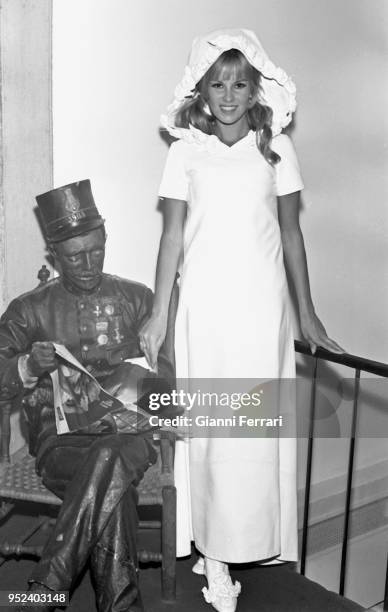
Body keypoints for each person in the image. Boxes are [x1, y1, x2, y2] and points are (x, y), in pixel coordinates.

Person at [139, 28, 343, 612]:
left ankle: (238, 540)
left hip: (261, 314)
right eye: (217, 83)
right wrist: (158, 314)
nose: (228, 94)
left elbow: (291, 234)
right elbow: (171, 237)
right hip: (205, 312)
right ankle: (215, 554)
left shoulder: (276, 149)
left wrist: (307, 314)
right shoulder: (185, 152)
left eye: (240, 83)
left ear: (256, 90)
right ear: (201, 89)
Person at [0, 180, 175, 612]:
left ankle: (46, 586)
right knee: (109, 480)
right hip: (61, 444)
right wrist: (28, 367)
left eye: (96, 251)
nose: (88, 264)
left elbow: (169, 382)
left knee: (111, 454)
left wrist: (136, 382)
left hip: (128, 435)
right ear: (53, 256)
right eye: (75, 256)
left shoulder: (137, 299)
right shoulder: (29, 309)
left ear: (105, 241)